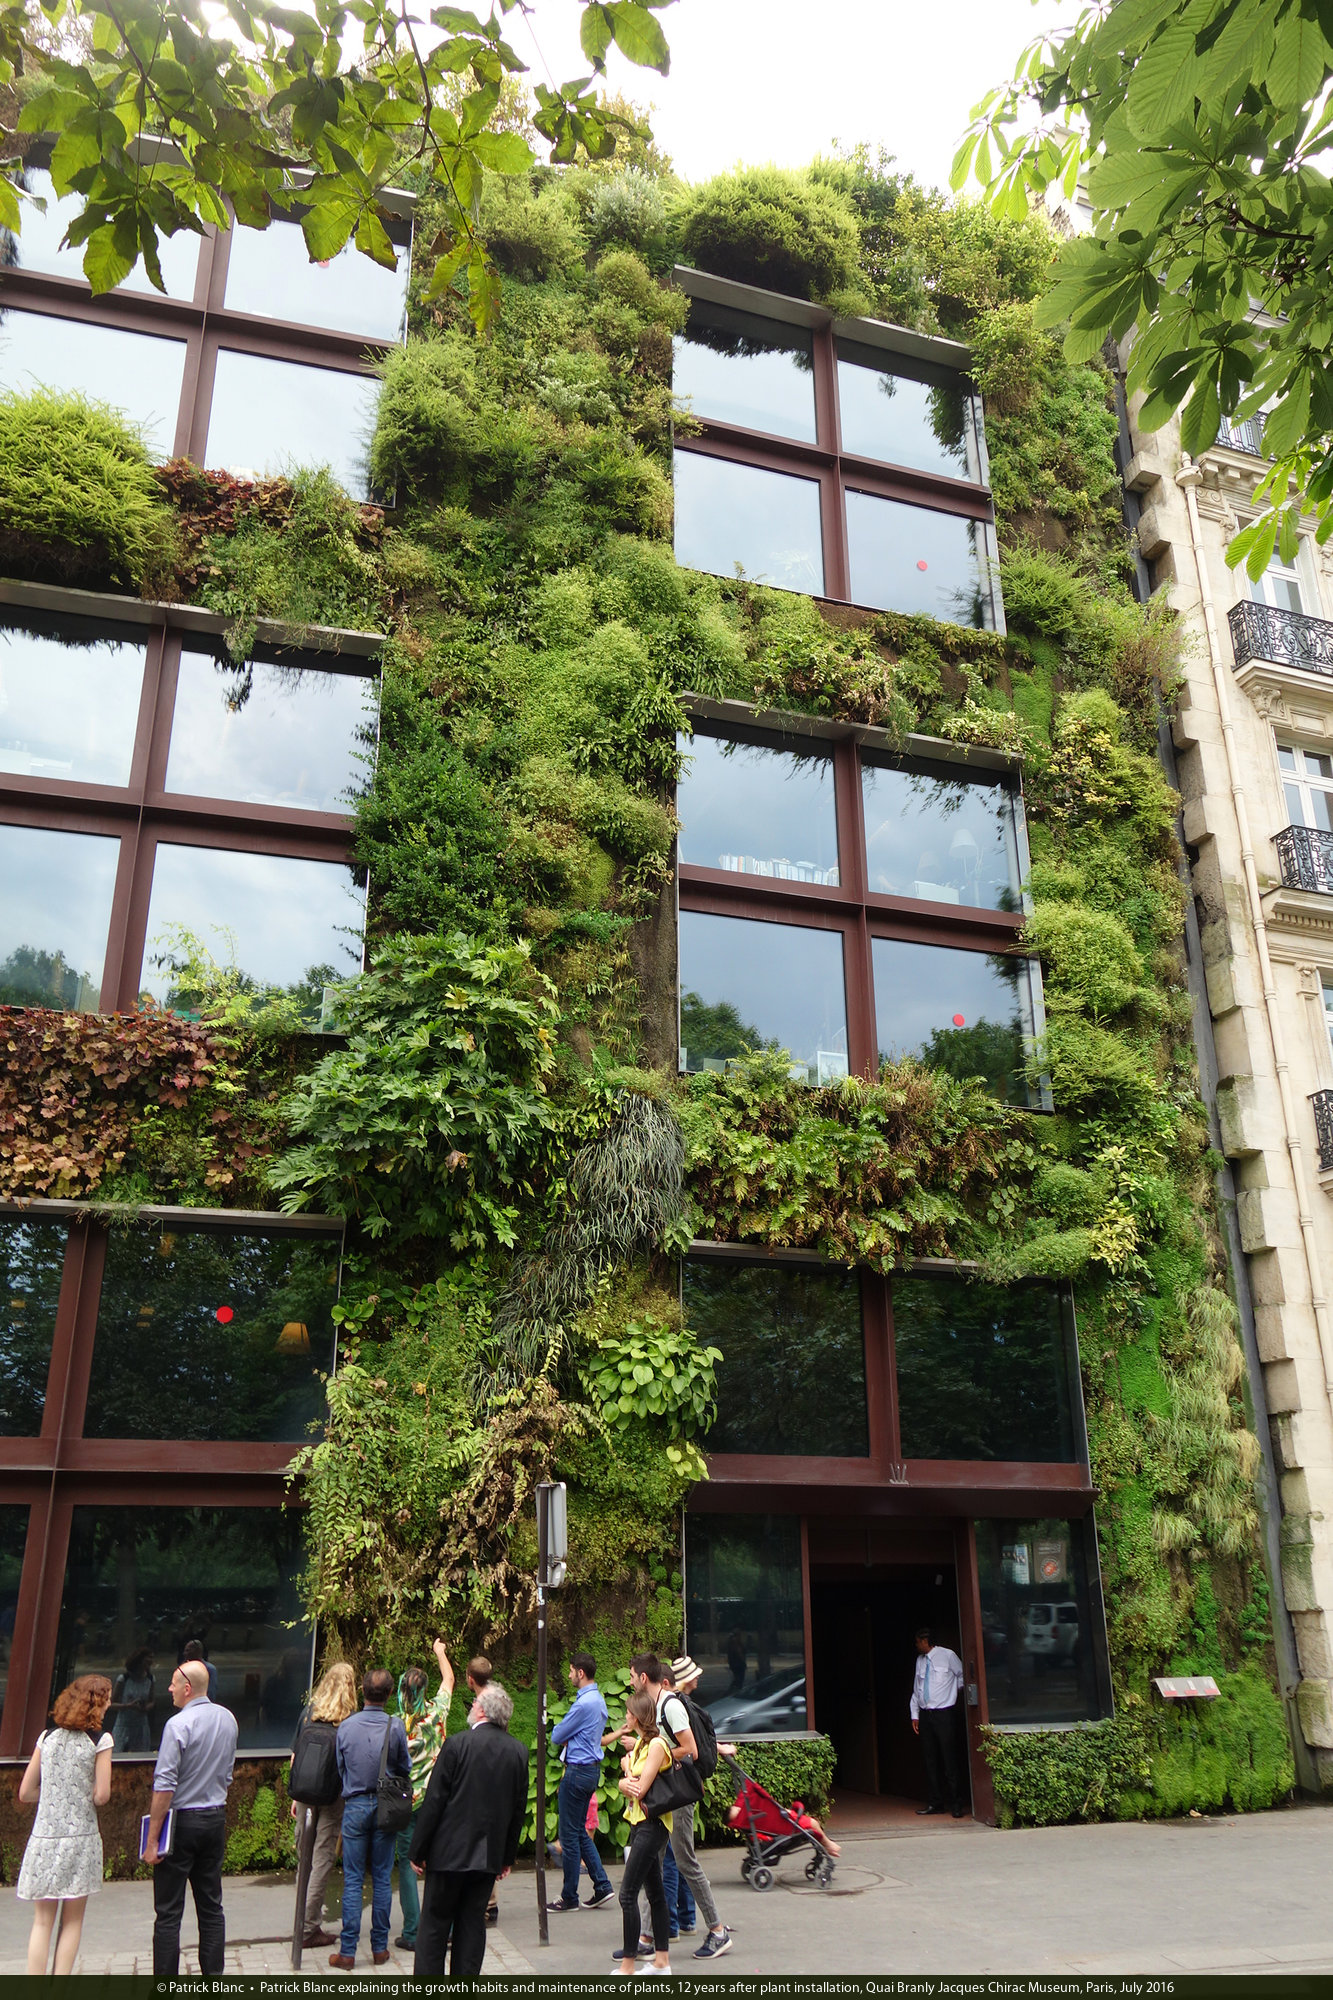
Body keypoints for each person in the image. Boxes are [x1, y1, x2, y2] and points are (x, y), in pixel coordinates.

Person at [613, 1656, 730, 1964]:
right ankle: (647, 1939)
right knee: (654, 1862)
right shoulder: (654, 1706)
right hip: (662, 1794)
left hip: (676, 1795)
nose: (630, 1681)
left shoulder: (671, 1706)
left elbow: (690, 1749)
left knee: (684, 1859)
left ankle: (717, 1930)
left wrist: (655, 1756)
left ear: (643, 1678)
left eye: (632, 1676)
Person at [408, 1680, 529, 1977]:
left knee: (434, 1925)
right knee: (472, 1924)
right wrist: (506, 1857)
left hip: (448, 1853)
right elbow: (517, 1810)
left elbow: (435, 1800)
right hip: (487, 1856)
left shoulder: (457, 1744)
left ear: (483, 1711)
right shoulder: (518, 1752)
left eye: (475, 1703)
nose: (472, 1706)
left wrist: (418, 1850)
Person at [144, 1659, 239, 1977]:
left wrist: (153, 1839)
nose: (169, 1688)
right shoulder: (228, 1719)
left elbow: (164, 1785)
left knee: (168, 1912)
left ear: (187, 1688)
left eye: (173, 1683)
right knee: (211, 1906)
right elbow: (227, 1775)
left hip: (181, 1822)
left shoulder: (177, 1725)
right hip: (214, 1819)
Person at [17, 1675, 114, 1975]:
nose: (110, 1703)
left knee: (42, 1922)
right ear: (97, 1704)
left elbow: (25, 1792)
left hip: (44, 1838)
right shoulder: (100, 1741)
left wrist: (52, 1796)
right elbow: (101, 1795)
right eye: (107, 1698)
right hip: (80, 1840)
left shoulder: (46, 1738)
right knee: (72, 1921)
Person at [329, 1668, 410, 1970]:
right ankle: (379, 1948)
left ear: (362, 1691)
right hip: (386, 1806)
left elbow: (340, 1767)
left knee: (352, 1878)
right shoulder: (395, 1725)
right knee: (382, 1877)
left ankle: (347, 1951)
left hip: (355, 1805)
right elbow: (404, 1767)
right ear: (389, 1694)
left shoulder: (346, 1727)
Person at [664, 1656, 731, 1959]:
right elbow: (698, 1743)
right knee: (670, 1858)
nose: (699, 1678)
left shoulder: (678, 1707)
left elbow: (689, 1746)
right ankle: (664, 1929)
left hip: (678, 1790)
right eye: (695, 1674)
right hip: (682, 1789)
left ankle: (711, 1928)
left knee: (678, 1860)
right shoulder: (685, 1705)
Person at [393, 1638, 455, 1953]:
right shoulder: (437, 1713)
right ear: (424, 1690)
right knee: (440, 1863)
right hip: (437, 1800)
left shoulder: (395, 1724)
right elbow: (449, 1679)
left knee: (408, 1863)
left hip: (406, 1802)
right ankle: (446, 1929)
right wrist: (439, 1652)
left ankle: (413, 1931)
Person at [291, 1661, 357, 1949]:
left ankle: (301, 1921)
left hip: (305, 1793)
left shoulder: (309, 1713)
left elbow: (296, 1757)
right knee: (322, 1858)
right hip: (334, 1796)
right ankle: (308, 1927)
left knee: (304, 1856)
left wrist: (296, 1797)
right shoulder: (349, 1720)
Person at [547, 1650, 614, 1913]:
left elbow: (557, 1735)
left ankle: (569, 1897)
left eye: (571, 1671)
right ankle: (602, 1885)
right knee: (578, 1831)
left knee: (568, 1835)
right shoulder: (598, 1700)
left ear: (581, 1672)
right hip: (591, 1771)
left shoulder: (583, 1704)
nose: (569, 1675)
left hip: (577, 1771)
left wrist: (568, 1736)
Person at [614, 1689, 672, 1978]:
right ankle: (662, 1962)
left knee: (627, 1894)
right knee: (655, 1893)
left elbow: (639, 1788)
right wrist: (627, 1776)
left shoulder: (657, 1745)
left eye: (627, 1712)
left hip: (653, 1824)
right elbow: (631, 1779)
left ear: (636, 1717)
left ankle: (628, 1966)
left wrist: (625, 1778)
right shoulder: (641, 1743)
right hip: (640, 1823)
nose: (625, 1716)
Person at [910, 1627, 968, 1818]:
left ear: (925, 1641)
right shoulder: (920, 1661)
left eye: (918, 1641)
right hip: (926, 1714)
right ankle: (936, 1802)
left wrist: (954, 1692)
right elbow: (917, 1689)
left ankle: (956, 1803)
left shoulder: (947, 1655)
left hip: (944, 1713)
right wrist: (915, 1714)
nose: (916, 1645)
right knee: (930, 1759)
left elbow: (962, 1674)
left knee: (949, 1758)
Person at [107, 1648, 155, 1754]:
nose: (151, 1661)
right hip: (124, 1724)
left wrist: (146, 1707)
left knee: (140, 1754)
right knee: (118, 1753)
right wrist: (128, 1706)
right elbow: (111, 1704)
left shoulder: (150, 1679)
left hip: (141, 1725)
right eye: (148, 1658)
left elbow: (152, 1701)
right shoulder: (124, 1679)